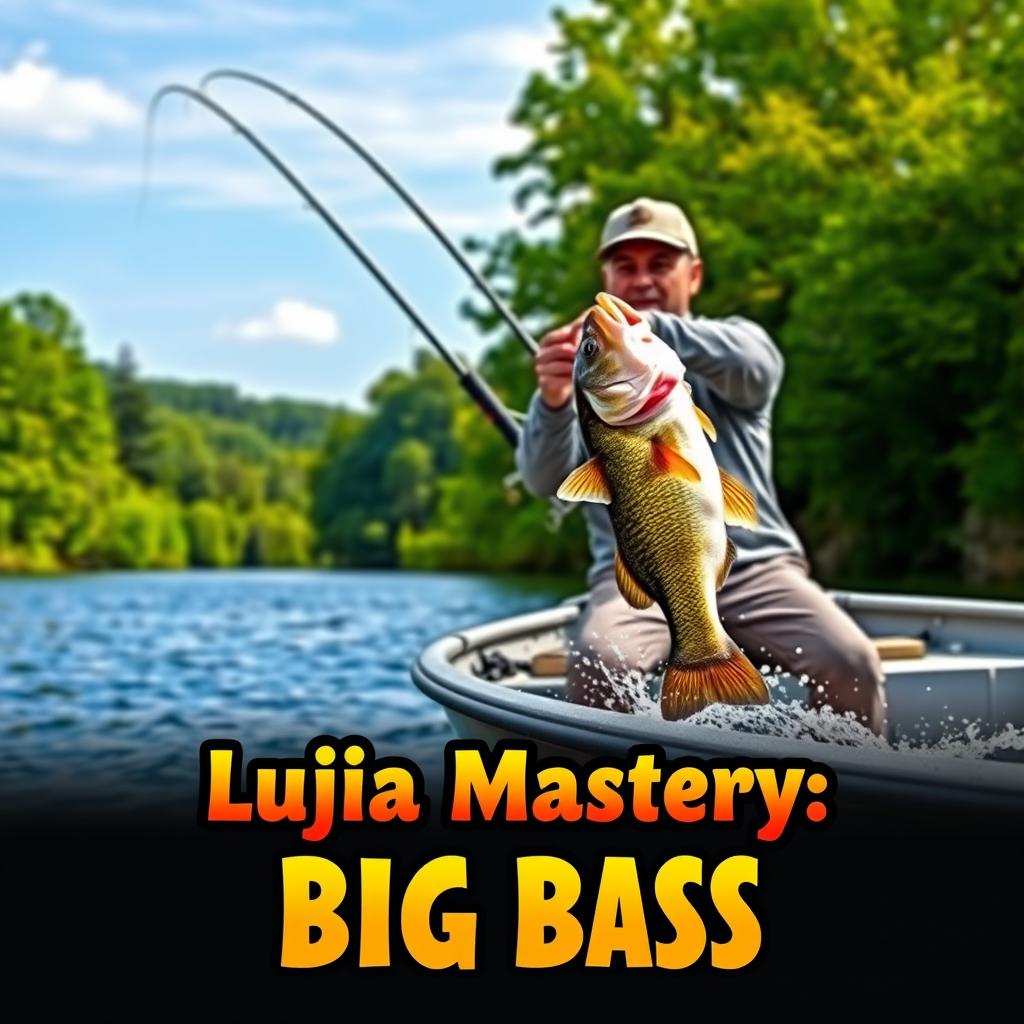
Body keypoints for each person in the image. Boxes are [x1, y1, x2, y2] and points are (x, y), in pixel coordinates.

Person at [516, 196, 887, 735]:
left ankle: (855, 795)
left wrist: (649, 332)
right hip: (637, 582)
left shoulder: (733, 345)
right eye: (626, 266)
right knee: (601, 664)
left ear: (695, 275)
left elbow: (758, 368)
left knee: (850, 659)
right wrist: (552, 400)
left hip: (759, 570)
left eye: (660, 264)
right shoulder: (589, 389)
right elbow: (543, 480)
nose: (642, 278)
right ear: (606, 275)